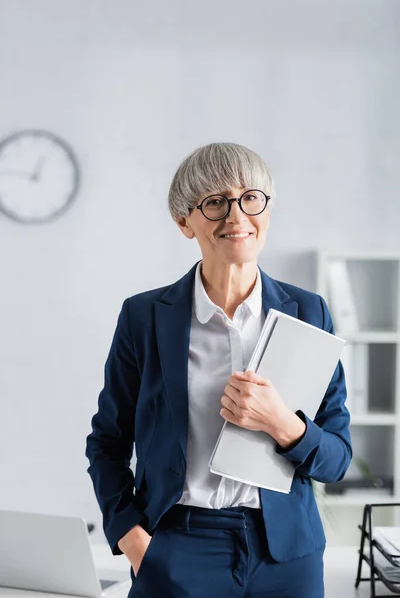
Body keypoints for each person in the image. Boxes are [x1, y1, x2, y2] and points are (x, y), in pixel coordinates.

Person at [85, 142, 352, 598]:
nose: (236, 216)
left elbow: (337, 459)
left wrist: (283, 424)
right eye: (214, 202)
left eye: (251, 198)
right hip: (177, 548)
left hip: (286, 554)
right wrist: (131, 537)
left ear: (267, 210)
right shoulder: (145, 317)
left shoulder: (309, 312)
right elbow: (107, 444)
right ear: (184, 222)